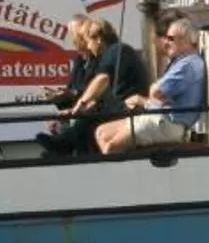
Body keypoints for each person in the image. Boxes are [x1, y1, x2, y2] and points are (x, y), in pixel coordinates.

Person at [96, 15, 206, 155]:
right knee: (102, 132)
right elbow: (158, 94)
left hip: (168, 123)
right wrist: (154, 99)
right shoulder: (181, 62)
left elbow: (156, 91)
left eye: (171, 38)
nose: (166, 42)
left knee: (112, 148)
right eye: (166, 38)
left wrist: (144, 100)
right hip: (159, 118)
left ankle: (120, 175)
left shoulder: (189, 64)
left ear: (186, 41)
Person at [42, 16, 147, 156]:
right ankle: (62, 147)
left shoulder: (117, 50)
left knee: (84, 125)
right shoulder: (110, 54)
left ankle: (65, 148)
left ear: (98, 38)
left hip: (128, 109)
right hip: (117, 108)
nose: (89, 48)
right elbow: (100, 96)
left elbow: (102, 79)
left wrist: (81, 103)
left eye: (88, 42)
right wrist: (74, 110)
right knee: (83, 122)